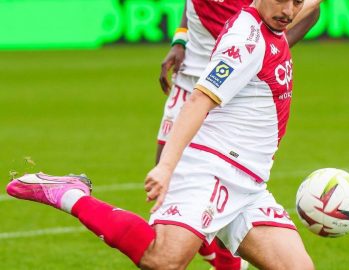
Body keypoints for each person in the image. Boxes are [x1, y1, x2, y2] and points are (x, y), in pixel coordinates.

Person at [7, 1, 315, 269]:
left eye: (296, 2)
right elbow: (198, 100)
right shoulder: (246, 40)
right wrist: (167, 166)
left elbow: (309, 9)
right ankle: (68, 194)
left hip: (248, 183)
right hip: (213, 169)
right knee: (163, 260)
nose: (289, 11)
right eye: (281, 1)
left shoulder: (272, 25)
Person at [156, 0, 321, 268]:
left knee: (180, 208)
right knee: (166, 188)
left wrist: (272, 48)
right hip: (192, 86)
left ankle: (223, 261)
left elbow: (310, 11)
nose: (290, 9)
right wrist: (180, 39)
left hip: (231, 91)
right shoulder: (252, 21)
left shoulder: (262, 17)